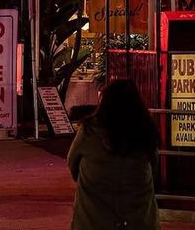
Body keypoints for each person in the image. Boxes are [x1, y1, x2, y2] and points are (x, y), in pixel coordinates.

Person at [67, 79, 160, 230]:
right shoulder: (145, 133)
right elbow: (154, 168)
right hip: (139, 221)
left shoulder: (89, 131)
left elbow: (73, 165)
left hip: (92, 221)